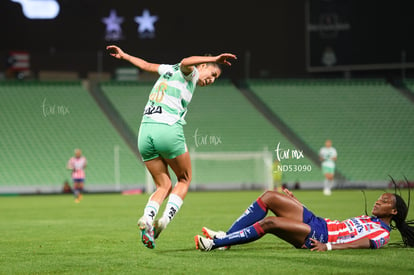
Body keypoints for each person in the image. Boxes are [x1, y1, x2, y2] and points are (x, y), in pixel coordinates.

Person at [107, 45, 237, 249]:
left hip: (144, 132)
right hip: (166, 128)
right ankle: (164, 221)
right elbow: (186, 61)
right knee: (184, 179)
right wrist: (217, 58)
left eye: (216, 78)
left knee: (163, 185)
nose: (211, 80)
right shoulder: (191, 72)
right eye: (212, 73)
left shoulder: (168, 69)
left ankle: (147, 218)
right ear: (202, 65)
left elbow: (146, 65)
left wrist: (124, 55)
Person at [195, 188, 414, 251]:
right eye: (379, 199)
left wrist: (327, 246)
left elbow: (361, 243)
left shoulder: (382, 234)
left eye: (384, 201)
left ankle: (216, 244)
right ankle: (227, 236)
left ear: (393, 212)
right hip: (317, 222)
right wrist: (298, 203)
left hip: (319, 236)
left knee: (270, 223)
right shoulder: (369, 219)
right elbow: (338, 225)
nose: (377, 202)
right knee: (270, 196)